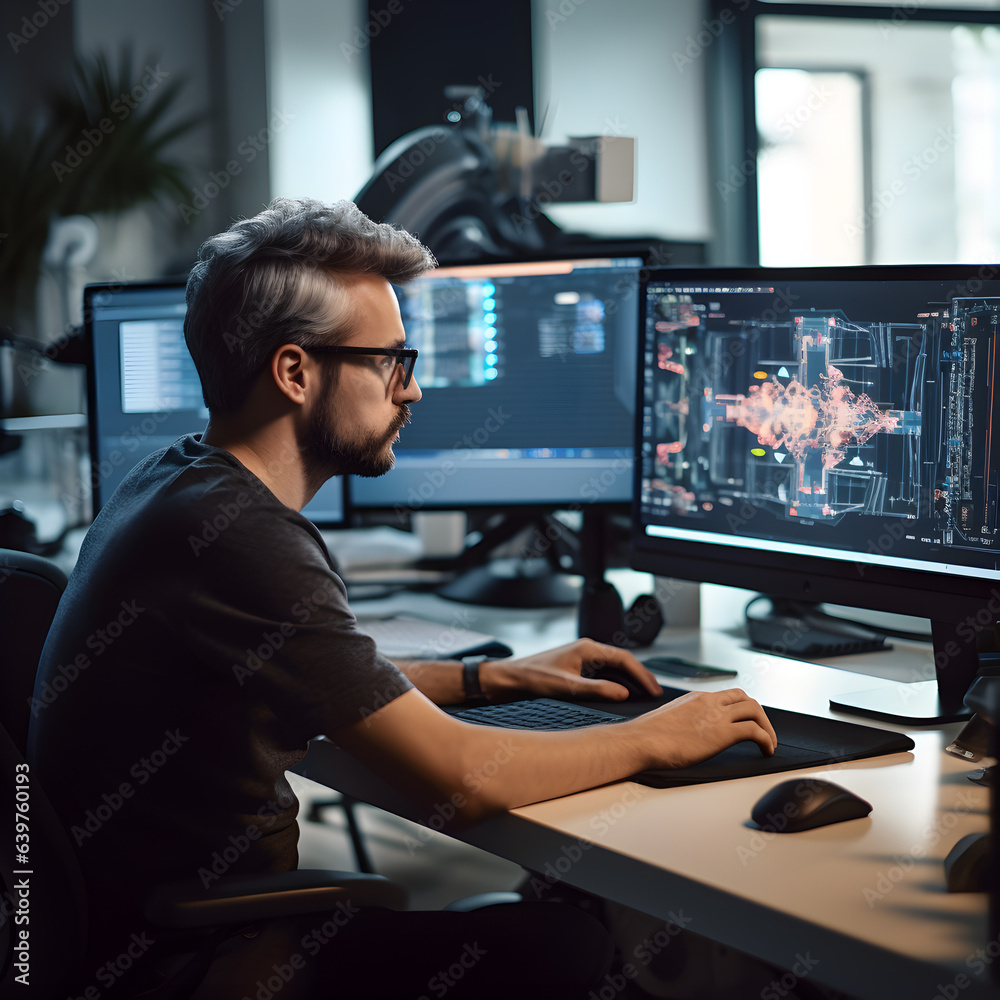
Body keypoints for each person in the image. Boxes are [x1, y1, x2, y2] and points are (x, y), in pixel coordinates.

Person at [28, 198, 776, 998]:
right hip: (199, 961)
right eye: (390, 362)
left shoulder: (174, 478)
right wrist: (663, 735)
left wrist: (496, 677)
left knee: (539, 918)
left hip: (143, 933)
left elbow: (326, 678)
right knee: (563, 946)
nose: (411, 392)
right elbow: (463, 780)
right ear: (294, 372)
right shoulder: (243, 534)